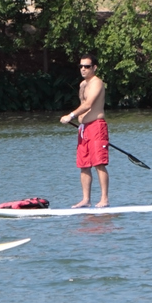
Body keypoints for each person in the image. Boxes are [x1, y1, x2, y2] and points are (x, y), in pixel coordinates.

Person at [59, 56, 108, 207]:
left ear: (94, 67)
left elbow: (88, 104)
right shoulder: (82, 85)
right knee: (84, 164)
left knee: (99, 163)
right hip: (84, 129)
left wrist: (71, 116)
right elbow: (83, 104)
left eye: (87, 66)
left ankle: (104, 199)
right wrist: (79, 121)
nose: (83, 69)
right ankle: (86, 200)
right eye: (81, 66)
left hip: (97, 126)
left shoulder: (97, 83)